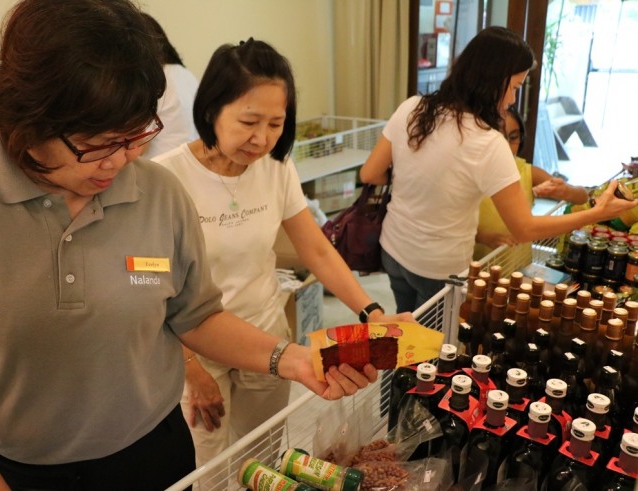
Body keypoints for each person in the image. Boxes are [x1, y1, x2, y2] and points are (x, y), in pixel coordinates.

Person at [0, 2, 377, 490]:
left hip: (155, 448)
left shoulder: (158, 193)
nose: (121, 161)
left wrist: (293, 358)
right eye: (100, 143)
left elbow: (196, 314)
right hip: (20, 470)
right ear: (28, 117)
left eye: (136, 137)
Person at [153, 38, 415, 469]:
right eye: (249, 121)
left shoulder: (275, 167)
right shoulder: (167, 178)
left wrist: (371, 311)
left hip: (265, 337)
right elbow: (156, 290)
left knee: (261, 453)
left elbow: (316, 249)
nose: (262, 138)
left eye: (276, 123)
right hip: (194, 347)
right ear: (211, 109)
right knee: (208, 461)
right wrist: (190, 370)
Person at [360, 26, 635, 314]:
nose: (514, 100)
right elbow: (524, 228)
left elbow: (370, 174)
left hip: (393, 248)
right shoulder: (486, 141)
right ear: (493, 79)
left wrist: (413, 173)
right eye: (515, 87)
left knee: (405, 327)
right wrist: (596, 213)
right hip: (438, 267)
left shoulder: (413, 107)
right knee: (431, 345)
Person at [474, 105, 590, 259]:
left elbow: (582, 197)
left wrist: (566, 191)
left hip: (517, 263)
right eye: (499, 139)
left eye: (513, 138)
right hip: (479, 264)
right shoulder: (472, 173)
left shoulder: (527, 172)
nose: (506, 146)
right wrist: (483, 237)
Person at [140, 12, 200, 159]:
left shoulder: (153, 79)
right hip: (191, 162)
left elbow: (137, 145)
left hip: (162, 168)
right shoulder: (185, 74)